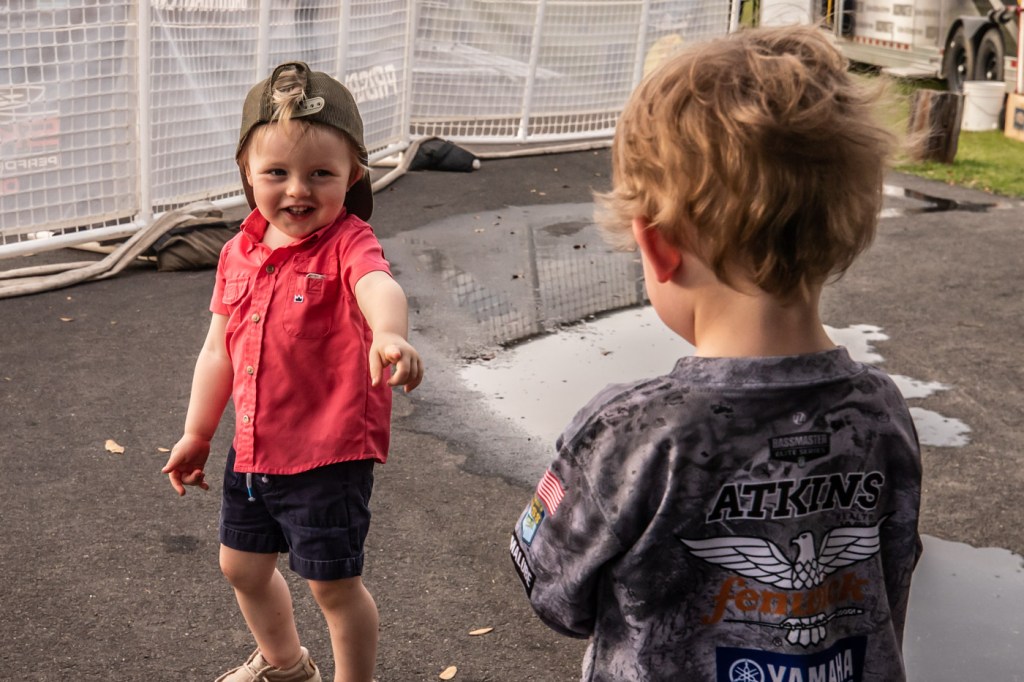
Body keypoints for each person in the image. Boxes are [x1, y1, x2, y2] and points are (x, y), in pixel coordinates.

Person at [510, 25, 922, 682]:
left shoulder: (634, 432)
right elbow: (892, 572)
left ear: (657, 246)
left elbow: (556, 594)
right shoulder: (881, 414)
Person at [162, 61, 423, 682]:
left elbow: (377, 284)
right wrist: (198, 432)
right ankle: (285, 664)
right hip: (253, 447)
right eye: (276, 172)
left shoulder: (348, 242)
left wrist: (388, 332)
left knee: (333, 587)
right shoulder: (238, 251)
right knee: (241, 566)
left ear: (353, 175)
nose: (297, 190)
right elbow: (218, 350)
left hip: (327, 455)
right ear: (247, 172)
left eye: (320, 174)